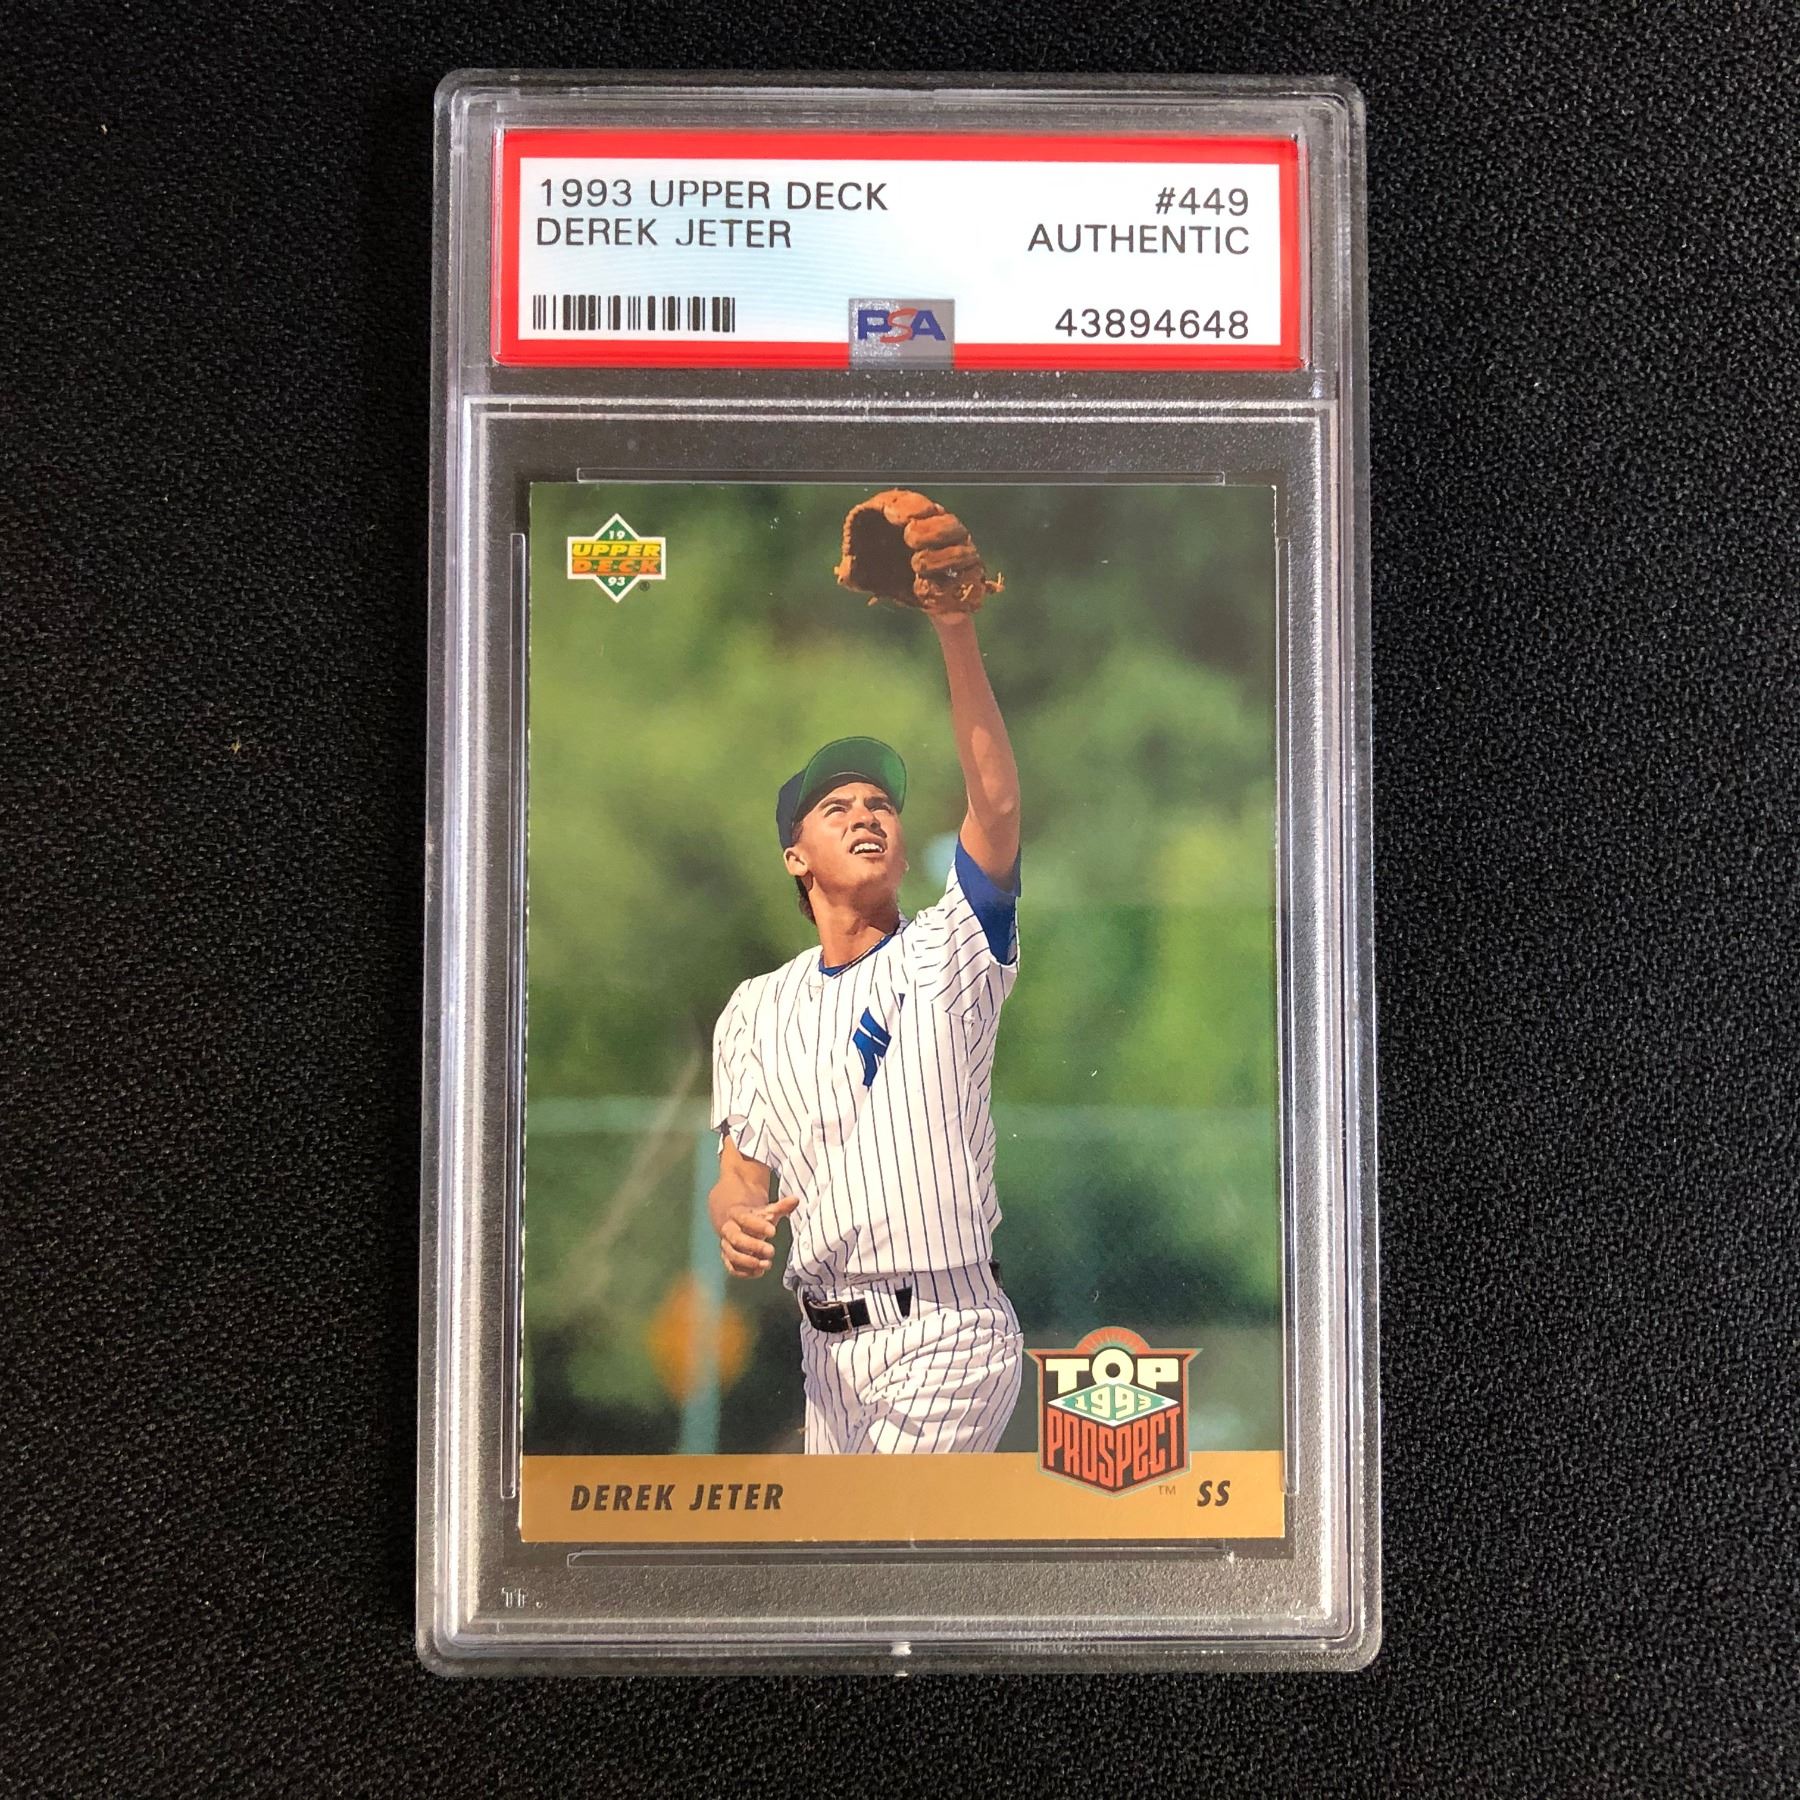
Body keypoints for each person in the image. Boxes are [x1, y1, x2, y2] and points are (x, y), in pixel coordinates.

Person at [708, 609, 1024, 1453]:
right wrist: (734, 1215)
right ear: (796, 857)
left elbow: (995, 808)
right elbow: (739, 1176)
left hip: (948, 1332)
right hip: (827, 1357)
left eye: (882, 803)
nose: (867, 814)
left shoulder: (948, 949)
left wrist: (955, 628)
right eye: (837, 806)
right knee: (848, 1544)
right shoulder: (754, 1008)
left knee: (884, 1528)